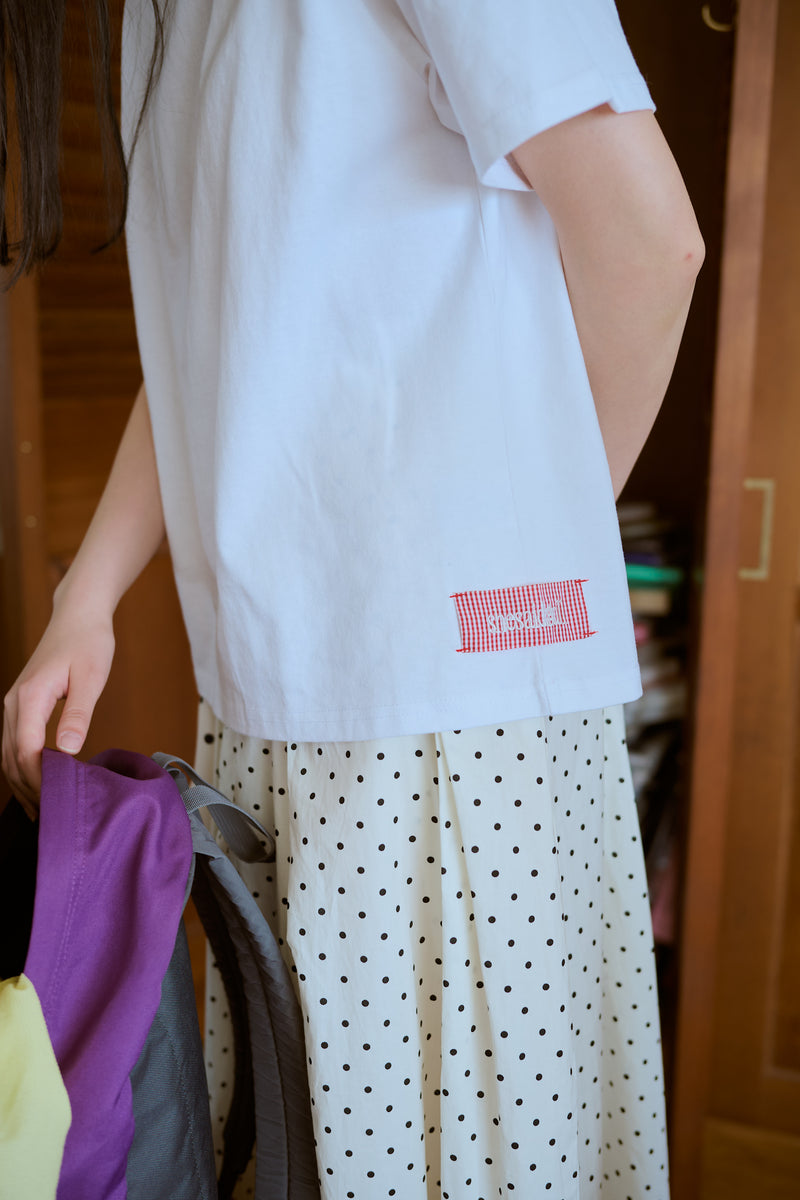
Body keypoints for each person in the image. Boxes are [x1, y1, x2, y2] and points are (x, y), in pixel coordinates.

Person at [2, 0, 703, 1195]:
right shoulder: (162, 19)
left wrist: (519, 565)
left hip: (457, 721)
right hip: (274, 702)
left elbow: (648, 242)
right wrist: (91, 593)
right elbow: (222, 335)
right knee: (316, 1146)